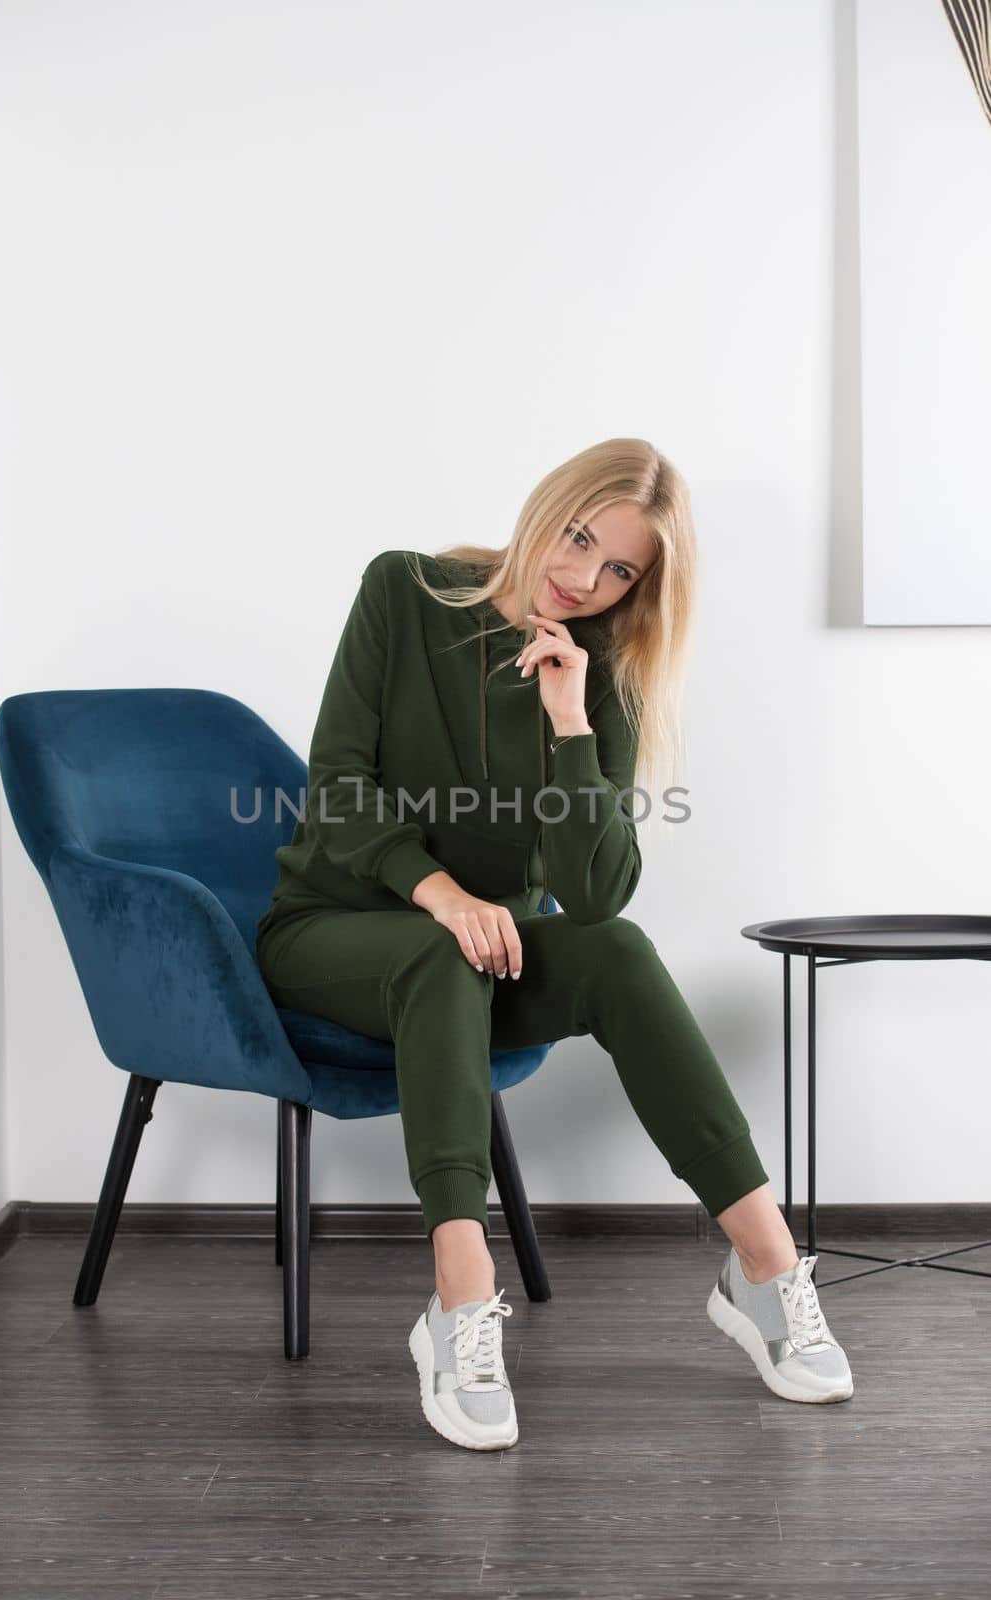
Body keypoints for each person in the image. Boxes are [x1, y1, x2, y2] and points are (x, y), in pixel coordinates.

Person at [256, 437, 854, 1451]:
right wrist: (441, 894)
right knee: (439, 949)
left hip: (481, 961)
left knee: (616, 951)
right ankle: (459, 1292)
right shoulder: (405, 592)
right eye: (580, 538)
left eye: (619, 569)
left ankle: (763, 1266)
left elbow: (593, 894)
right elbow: (338, 784)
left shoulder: (599, 673)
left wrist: (571, 719)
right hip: (333, 930)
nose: (583, 577)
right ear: (549, 506)